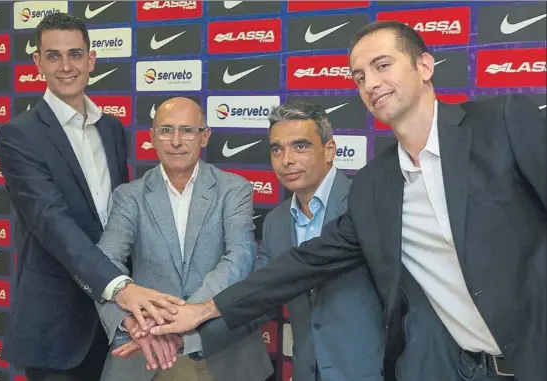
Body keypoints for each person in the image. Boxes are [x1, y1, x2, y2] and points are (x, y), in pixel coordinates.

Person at [146, 21, 546, 381]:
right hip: (464, 369)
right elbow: (306, 263)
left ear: (424, 66)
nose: (370, 83)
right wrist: (204, 310)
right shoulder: (376, 184)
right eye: (359, 76)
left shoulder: (502, 122)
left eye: (382, 65)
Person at [0, 13, 182, 381]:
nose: (66, 66)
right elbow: (51, 221)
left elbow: (120, 219)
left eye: (75, 54)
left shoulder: (112, 129)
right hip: (57, 327)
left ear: (91, 60)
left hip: (115, 323)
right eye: (54, 56)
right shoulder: (17, 136)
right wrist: (120, 287)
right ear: (38, 62)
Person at [169, 99, 385, 381]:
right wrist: (186, 340)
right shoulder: (276, 222)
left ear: (329, 150)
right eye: (276, 149)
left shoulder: (365, 203)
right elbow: (258, 301)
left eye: (301, 146)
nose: (287, 160)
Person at [94, 97, 273, 381]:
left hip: (224, 352)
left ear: (205, 136)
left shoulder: (233, 189)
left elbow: (239, 257)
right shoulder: (129, 196)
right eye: (166, 130)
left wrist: (185, 317)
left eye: (187, 130)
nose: (176, 140)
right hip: (145, 350)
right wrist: (129, 321)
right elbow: (102, 267)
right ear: (152, 137)